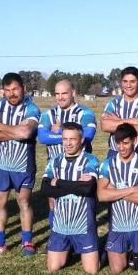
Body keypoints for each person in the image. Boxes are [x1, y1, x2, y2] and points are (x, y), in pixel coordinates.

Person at [0, 73, 41, 257]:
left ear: (22, 88)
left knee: (24, 202)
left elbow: (25, 133)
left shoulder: (31, 108)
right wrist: (13, 132)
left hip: (23, 164)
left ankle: (27, 242)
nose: (11, 93)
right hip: (0, 165)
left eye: (14, 89)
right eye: (7, 90)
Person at [38, 123, 100, 274]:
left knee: (91, 270)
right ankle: (68, 248)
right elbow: (45, 189)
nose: (68, 143)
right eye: (65, 139)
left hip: (83, 224)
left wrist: (58, 183)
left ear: (82, 139)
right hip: (60, 225)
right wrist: (76, 185)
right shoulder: (55, 161)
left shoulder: (90, 160)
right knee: (53, 268)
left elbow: (87, 188)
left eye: (72, 139)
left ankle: (99, 251)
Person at [37, 79, 97, 235]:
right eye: (57, 94)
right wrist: (67, 134)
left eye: (64, 93)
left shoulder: (85, 113)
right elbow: (42, 137)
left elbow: (88, 135)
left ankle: (81, 238)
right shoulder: (48, 114)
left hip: (80, 167)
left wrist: (58, 131)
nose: (60, 97)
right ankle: (57, 237)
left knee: (79, 202)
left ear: (73, 93)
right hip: (56, 167)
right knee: (53, 203)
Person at [97, 124, 138, 275]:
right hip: (118, 225)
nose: (121, 147)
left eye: (125, 143)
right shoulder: (107, 164)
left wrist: (114, 190)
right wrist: (131, 189)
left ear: (134, 140)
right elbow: (101, 195)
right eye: (118, 143)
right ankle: (126, 251)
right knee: (116, 269)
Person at [100, 66, 138, 162]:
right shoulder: (113, 103)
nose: (128, 85)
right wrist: (136, 121)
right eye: (125, 81)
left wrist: (118, 121)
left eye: (132, 81)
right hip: (116, 153)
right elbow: (105, 125)